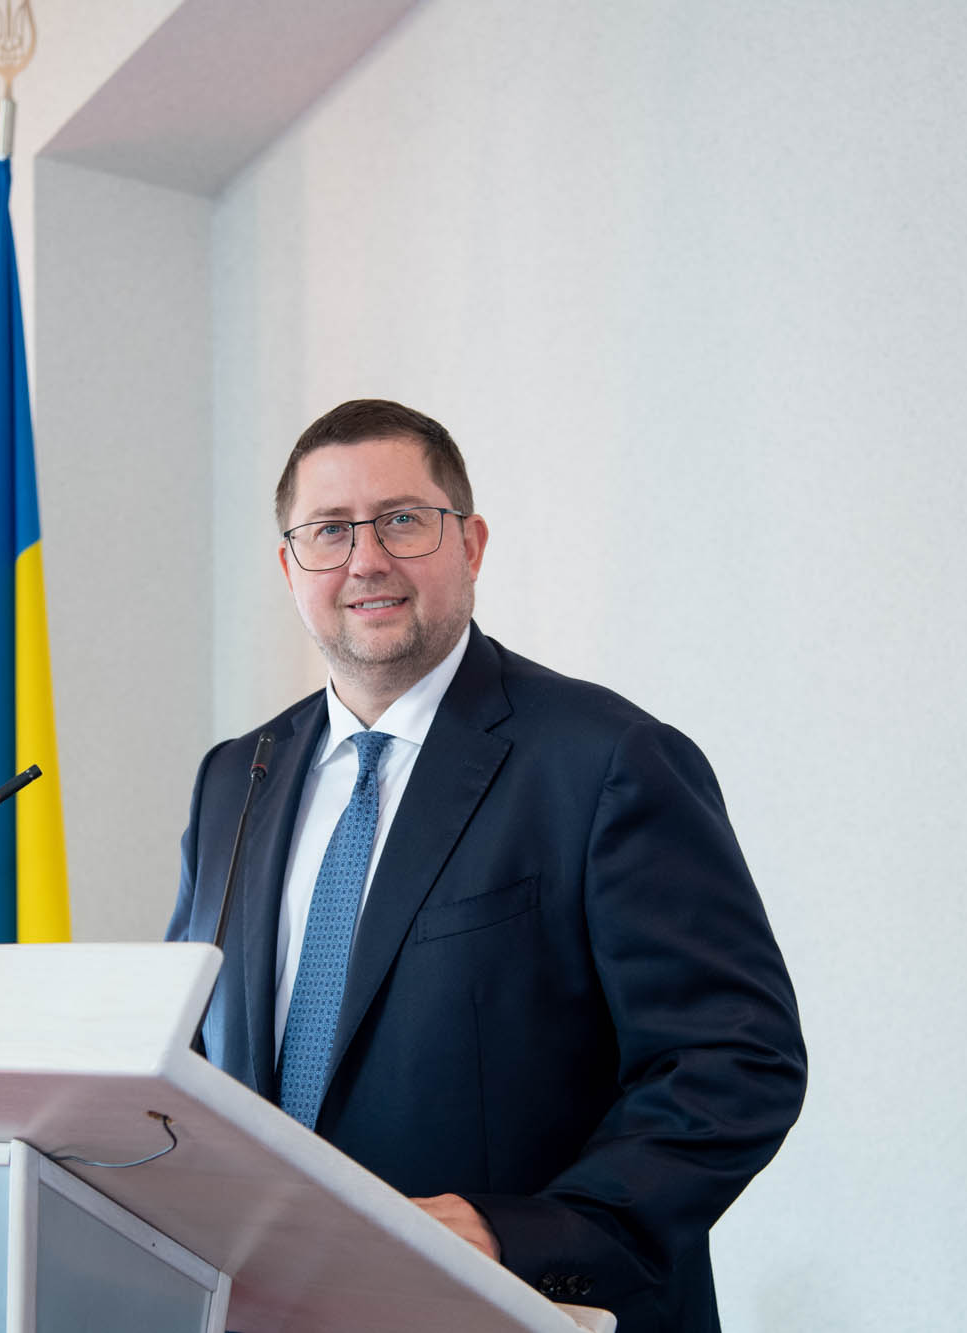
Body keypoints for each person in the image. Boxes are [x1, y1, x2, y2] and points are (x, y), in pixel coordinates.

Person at [167, 399, 805, 1333]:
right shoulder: (234, 779)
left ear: (470, 544)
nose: (366, 559)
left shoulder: (607, 759)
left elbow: (735, 1060)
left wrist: (525, 1235)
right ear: (289, 566)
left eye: (402, 520)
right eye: (329, 530)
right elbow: (189, 1057)